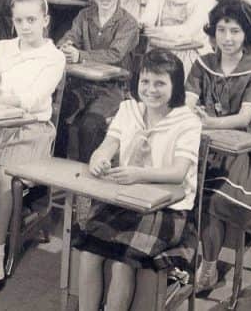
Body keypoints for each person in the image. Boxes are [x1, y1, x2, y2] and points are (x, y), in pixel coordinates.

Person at [74, 49, 201, 311]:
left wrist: (138, 174)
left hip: (166, 208)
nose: (151, 89)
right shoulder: (128, 109)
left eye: (160, 83)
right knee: (88, 253)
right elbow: (108, 145)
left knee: (122, 262)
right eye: (145, 81)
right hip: (126, 200)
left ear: (175, 86)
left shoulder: (188, 121)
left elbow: (178, 172)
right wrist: (99, 158)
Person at [0, 0, 66, 292]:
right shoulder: (3, 47)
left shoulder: (54, 56)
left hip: (32, 129)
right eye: (19, 20)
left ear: (45, 20)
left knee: (2, 175)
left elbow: (33, 101)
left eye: (32, 19)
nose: (25, 26)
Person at [189, 0, 251, 290]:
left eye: (235, 31)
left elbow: (245, 117)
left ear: (247, 36)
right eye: (221, 30)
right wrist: (194, 116)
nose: (227, 38)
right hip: (202, 141)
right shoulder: (202, 62)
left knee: (213, 197)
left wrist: (208, 122)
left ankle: (209, 265)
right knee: (181, 186)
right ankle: (180, 256)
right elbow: (189, 102)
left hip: (245, 149)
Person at [57, 0, 140, 162]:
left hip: (112, 91)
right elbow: (69, 37)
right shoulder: (84, 16)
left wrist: (80, 56)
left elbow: (115, 54)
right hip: (80, 86)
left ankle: (88, 183)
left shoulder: (128, 23)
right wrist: (65, 46)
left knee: (90, 125)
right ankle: (54, 176)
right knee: (56, 114)